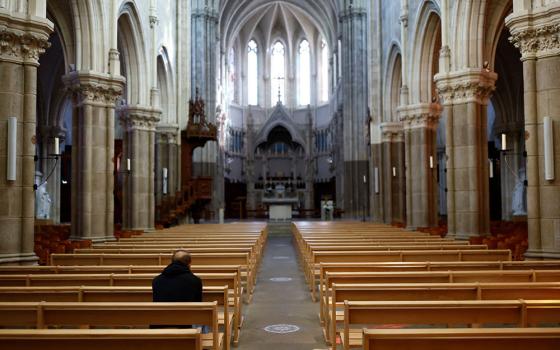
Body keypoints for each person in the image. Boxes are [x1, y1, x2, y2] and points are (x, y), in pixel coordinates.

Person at [151, 249, 203, 328]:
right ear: (189, 264)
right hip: (185, 325)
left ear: (172, 262)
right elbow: (198, 304)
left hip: (159, 324)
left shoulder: (156, 280)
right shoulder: (195, 280)